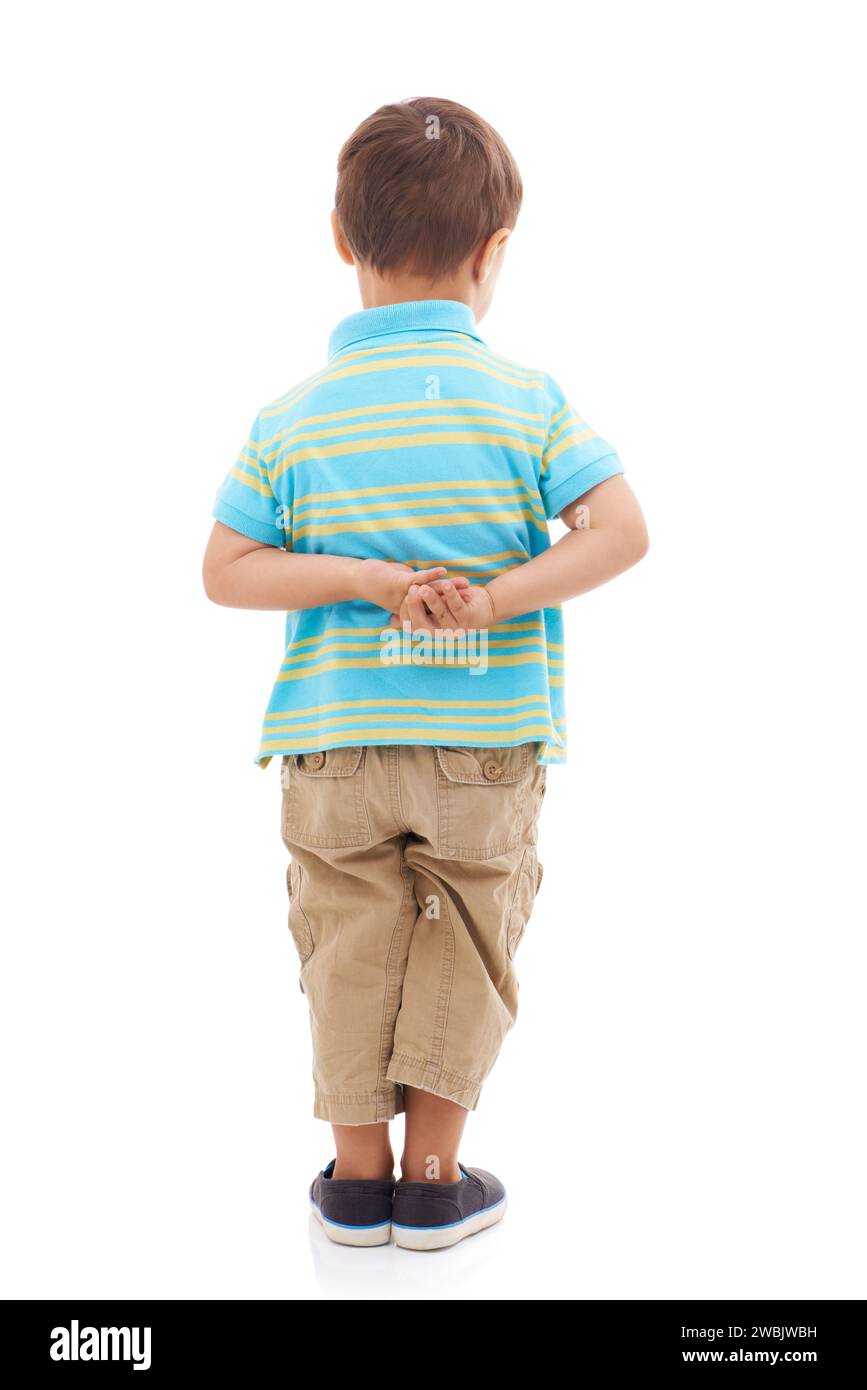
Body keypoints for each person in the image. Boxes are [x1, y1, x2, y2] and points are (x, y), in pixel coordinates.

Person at [202, 97, 648, 1250]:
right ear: (494, 253)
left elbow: (226, 569)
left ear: (341, 241)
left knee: (346, 934)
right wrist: (493, 597)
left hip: (335, 738)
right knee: (469, 928)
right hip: (484, 741)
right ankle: (436, 1179)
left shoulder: (292, 418)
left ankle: (355, 1184)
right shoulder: (529, 403)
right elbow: (621, 532)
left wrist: (352, 574)